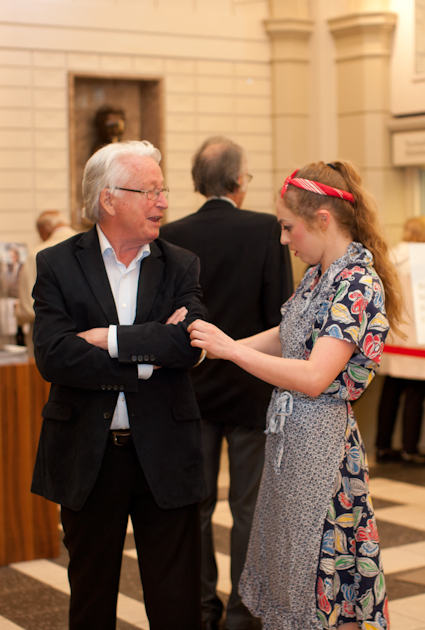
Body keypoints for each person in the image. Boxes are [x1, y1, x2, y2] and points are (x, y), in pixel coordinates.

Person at [189, 161, 404, 630]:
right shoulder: (319, 273)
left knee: (318, 568)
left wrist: (229, 350)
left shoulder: (357, 283)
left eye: (289, 227)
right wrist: (220, 346)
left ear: (322, 219)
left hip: (322, 449)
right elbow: (286, 334)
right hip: (295, 441)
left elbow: (313, 377)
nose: (283, 239)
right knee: (293, 562)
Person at [30, 140, 208, 629]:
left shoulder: (181, 264)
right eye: (149, 191)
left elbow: (189, 345)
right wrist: (149, 358)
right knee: (91, 598)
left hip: (166, 453)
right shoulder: (58, 265)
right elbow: (54, 356)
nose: (163, 201)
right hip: (89, 454)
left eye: (163, 189)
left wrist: (108, 339)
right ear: (109, 199)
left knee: (176, 603)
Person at [161, 137, 293, 630]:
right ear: (238, 182)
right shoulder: (263, 229)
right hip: (249, 385)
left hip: (190, 389)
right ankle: (243, 613)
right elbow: (281, 311)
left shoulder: (171, 233)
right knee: (248, 508)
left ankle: (199, 608)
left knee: (194, 506)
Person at [375, 216, 425, 466]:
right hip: (422, 337)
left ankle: (383, 445)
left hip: (394, 335)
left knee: (391, 390)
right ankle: (410, 449)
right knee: (415, 394)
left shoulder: (392, 255)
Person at [14, 210, 79, 333]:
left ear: (43, 231)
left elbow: (28, 309)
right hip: (88, 338)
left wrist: (17, 314)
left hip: (50, 335)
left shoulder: (38, 254)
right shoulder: (89, 248)